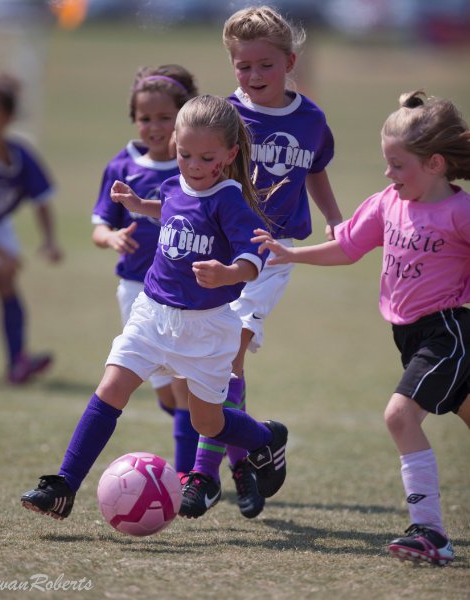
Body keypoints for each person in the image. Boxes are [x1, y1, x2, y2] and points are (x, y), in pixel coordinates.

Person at [20, 94, 288, 521]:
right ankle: (64, 485)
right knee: (110, 390)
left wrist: (229, 273)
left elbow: (254, 259)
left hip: (207, 329)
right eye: (185, 154)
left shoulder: (230, 200)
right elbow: (172, 210)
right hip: (151, 314)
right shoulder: (173, 183)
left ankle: (265, 440)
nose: (194, 165)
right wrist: (138, 207)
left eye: (206, 157)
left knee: (208, 423)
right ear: (175, 146)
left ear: (231, 154)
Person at [253, 90, 470, 566]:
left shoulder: (461, 213)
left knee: (399, 416)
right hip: (409, 337)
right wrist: (292, 254)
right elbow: (348, 246)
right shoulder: (388, 203)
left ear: (435, 163)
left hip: (449, 332)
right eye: (385, 164)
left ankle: (430, 532)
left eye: (397, 165)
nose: (388, 174)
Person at [179, 4, 343, 520]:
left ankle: (206, 476)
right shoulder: (225, 118)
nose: (254, 76)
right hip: (220, 253)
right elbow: (195, 176)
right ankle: (252, 455)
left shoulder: (311, 119)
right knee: (213, 363)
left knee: (230, 356)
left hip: (271, 256)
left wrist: (336, 219)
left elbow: (315, 169)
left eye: (265, 65)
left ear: (289, 60)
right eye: (243, 66)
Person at [91, 64, 200, 476]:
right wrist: (112, 238)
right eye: (145, 118)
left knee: (182, 386)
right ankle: (220, 439)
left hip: (181, 293)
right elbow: (100, 223)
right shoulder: (122, 166)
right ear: (134, 121)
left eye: (164, 118)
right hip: (134, 290)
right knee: (167, 396)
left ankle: (190, 473)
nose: (154, 127)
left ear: (183, 117)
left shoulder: (193, 165)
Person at [0, 73, 62, 383]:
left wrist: (49, 241)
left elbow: (42, 200)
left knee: (6, 278)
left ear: (8, 117)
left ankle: (17, 363)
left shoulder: (20, 156)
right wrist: (1, 254)